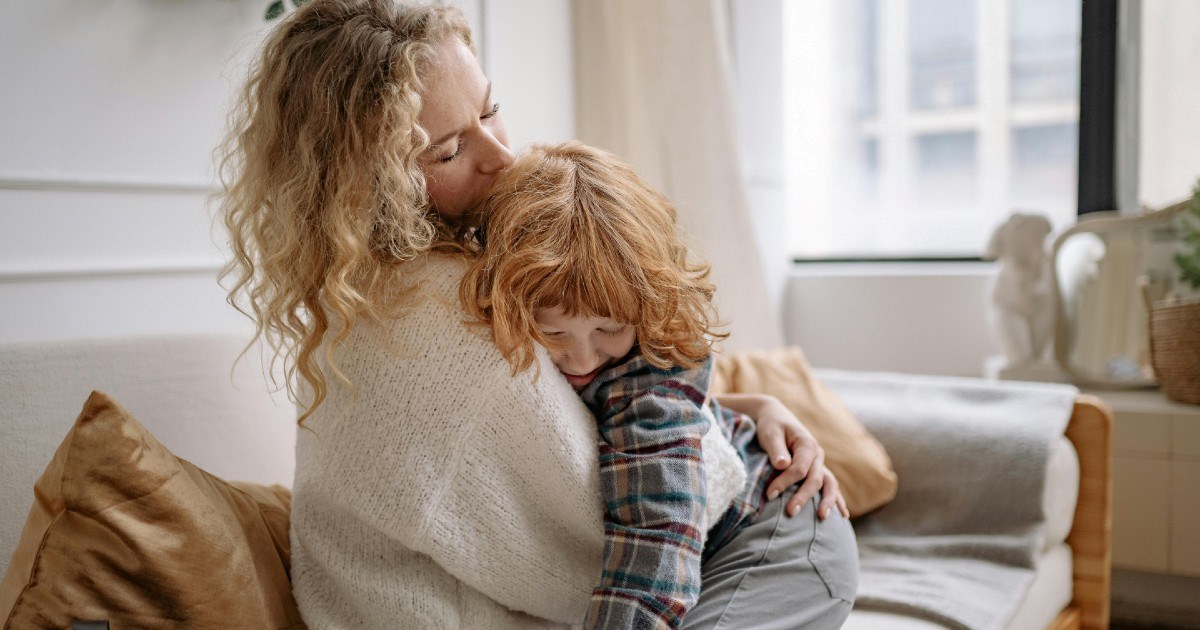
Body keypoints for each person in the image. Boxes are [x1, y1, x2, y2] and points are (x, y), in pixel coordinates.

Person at [218, 0, 851, 627]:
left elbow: (656, 493)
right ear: (365, 182)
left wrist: (746, 407)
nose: (502, 155)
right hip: (731, 529)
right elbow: (595, 526)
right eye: (447, 151)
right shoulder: (425, 311)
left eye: (490, 109)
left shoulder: (472, 261)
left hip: (769, 523)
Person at [460, 141, 857, 629]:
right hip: (724, 545)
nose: (583, 357)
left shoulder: (651, 385)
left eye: (608, 329)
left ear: (645, 308)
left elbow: (656, 537)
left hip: (782, 537)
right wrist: (756, 403)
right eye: (554, 333)